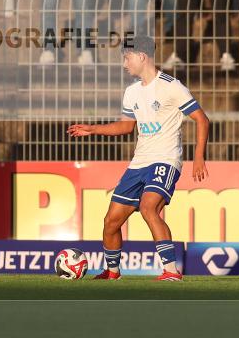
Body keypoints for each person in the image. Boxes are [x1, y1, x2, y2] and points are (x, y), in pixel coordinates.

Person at [67, 35, 209, 282]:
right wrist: (93, 129)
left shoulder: (171, 86)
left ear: (142, 57)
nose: (125, 64)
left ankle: (171, 272)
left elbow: (201, 119)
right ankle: (112, 272)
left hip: (165, 159)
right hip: (138, 163)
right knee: (111, 221)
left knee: (148, 207)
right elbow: (125, 127)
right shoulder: (131, 92)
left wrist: (198, 157)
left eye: (127, 57)